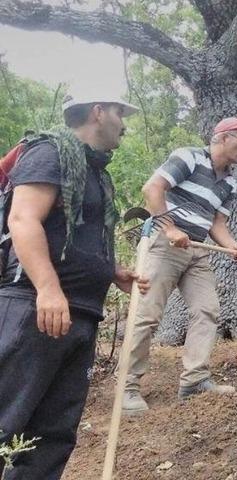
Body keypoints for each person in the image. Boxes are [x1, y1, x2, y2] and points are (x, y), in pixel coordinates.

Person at [0, 93, 148, 479]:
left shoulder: (96, 170)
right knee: (6, 419)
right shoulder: (49, 152)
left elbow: (70, 235)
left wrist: (110, 269)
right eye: (119, 112)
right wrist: (49, 290)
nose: (124, 123)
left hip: (80, 315)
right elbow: (23, 220)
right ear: (98, 111)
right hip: (33, 309)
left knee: (53, 435)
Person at [122, 117, 237, 414]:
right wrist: (170, 228)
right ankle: (128, 387)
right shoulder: (189, 157)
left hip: (197, 251)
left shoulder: (230, 182)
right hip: (164, 244)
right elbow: (152, 189)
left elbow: (217, 223)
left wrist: (231, 245)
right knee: (147, 315)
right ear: (223, 137)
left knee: (207, 309)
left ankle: (194, 380)